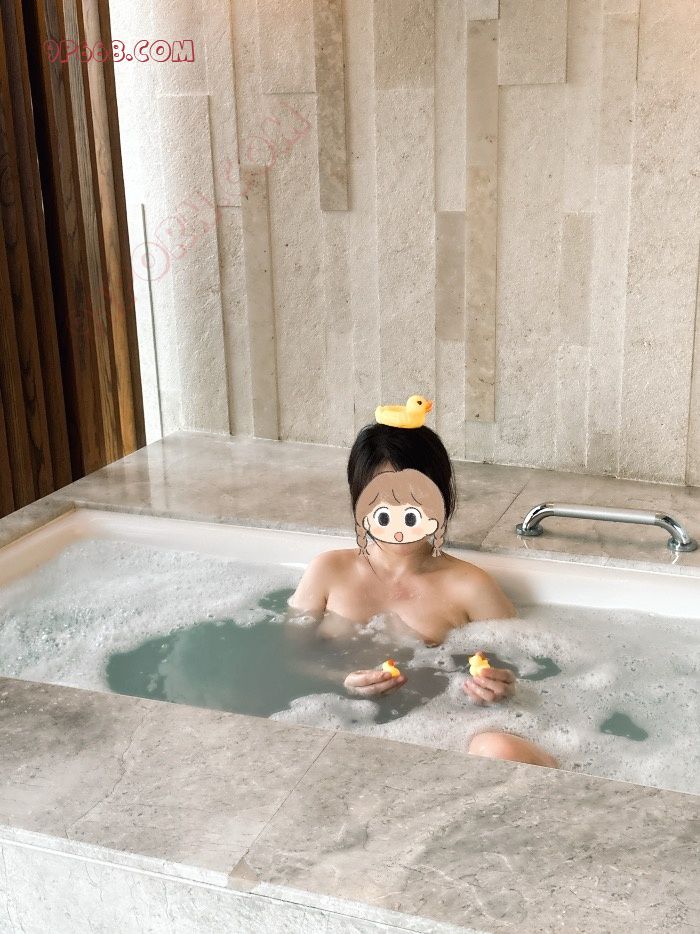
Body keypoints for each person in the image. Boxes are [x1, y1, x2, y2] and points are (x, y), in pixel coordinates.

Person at [288, 421, 557, 768]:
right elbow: (289, 662)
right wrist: (340, 681)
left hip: (439, 731)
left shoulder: (470, 586)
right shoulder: (327, 571)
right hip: (336, 721)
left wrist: (503, 687)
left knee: (498, 749)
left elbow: (527, 674)